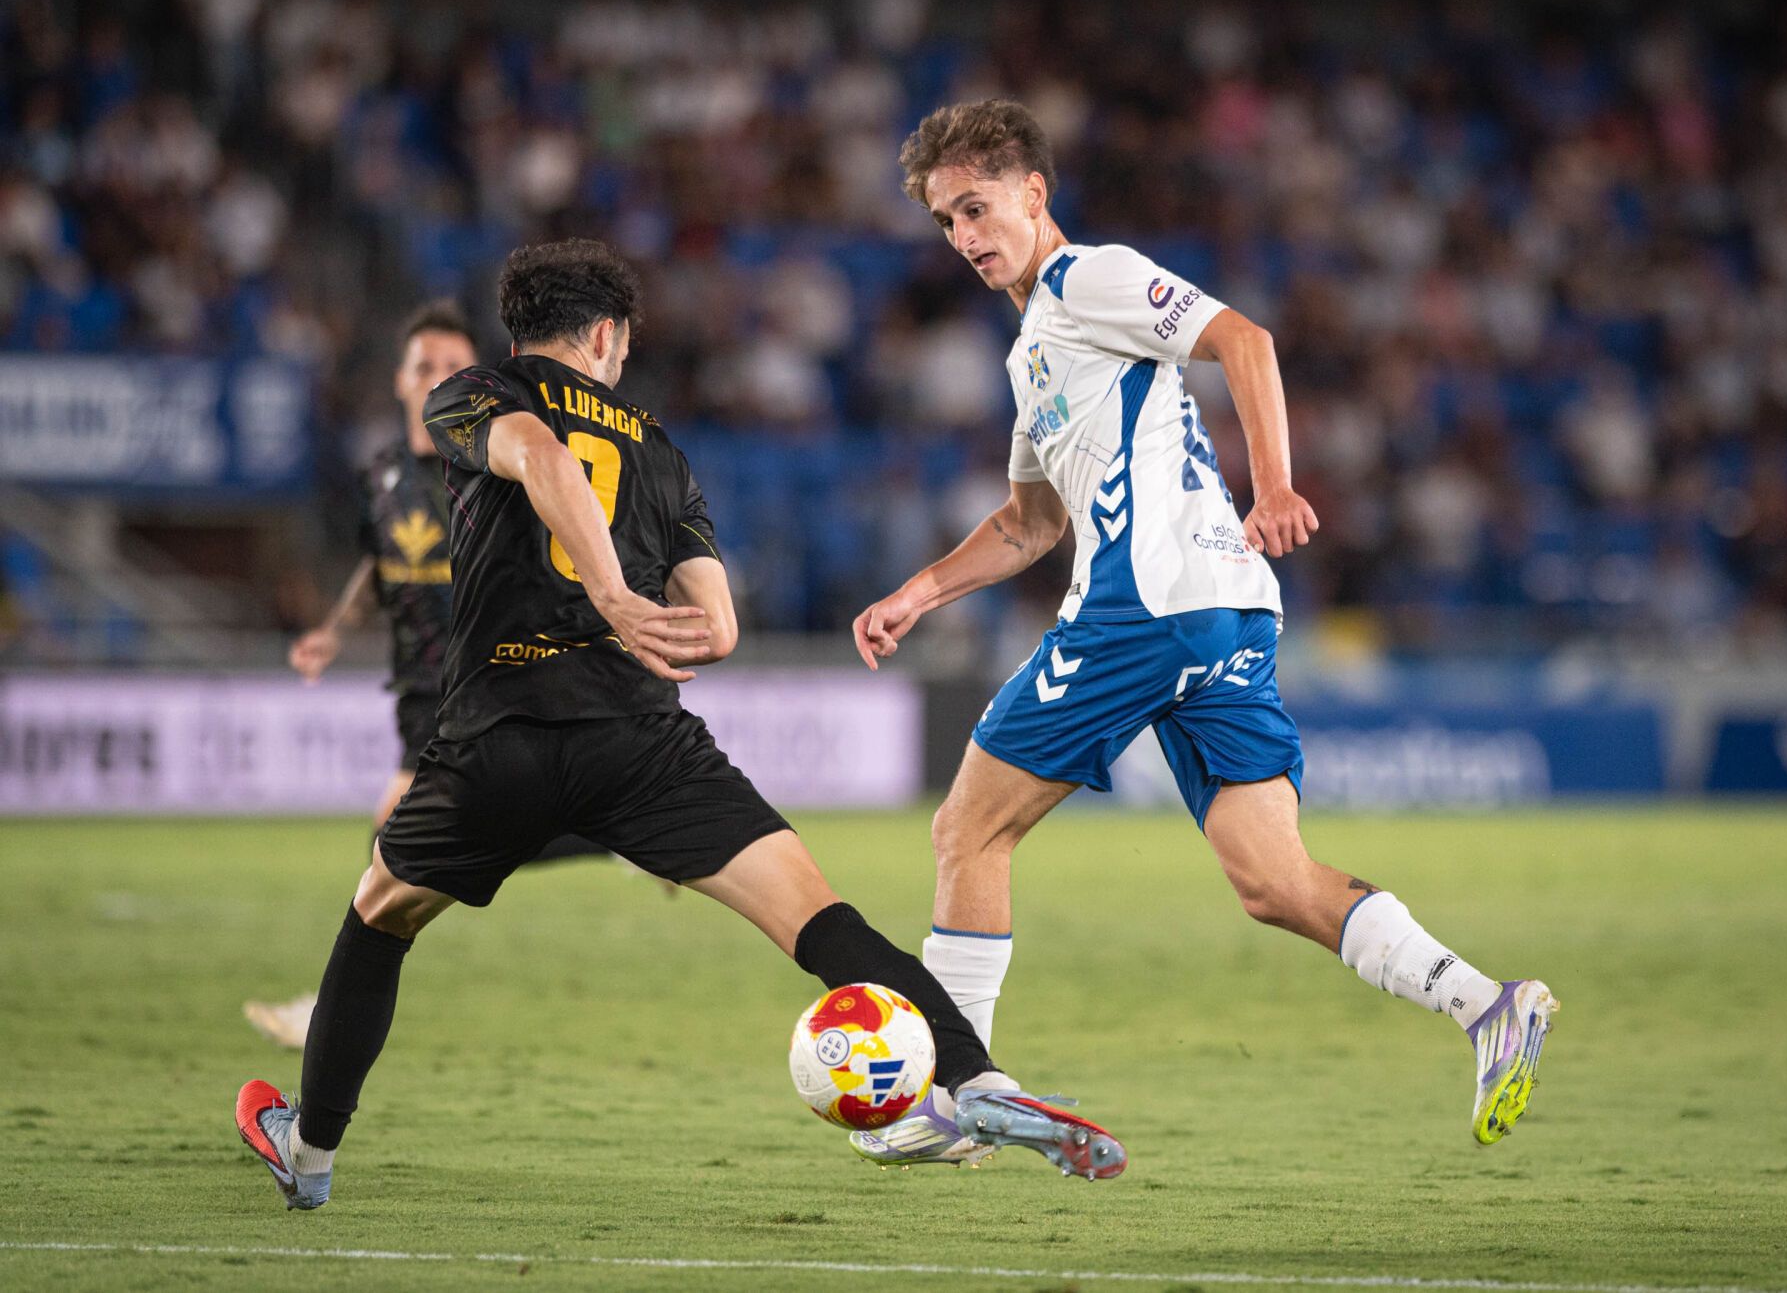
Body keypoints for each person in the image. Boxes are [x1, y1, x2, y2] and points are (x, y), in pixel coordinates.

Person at [234, 238, 1124, 1211]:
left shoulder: (472, 394)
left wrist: (607, 592)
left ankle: (308, 1154)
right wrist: (632, 606)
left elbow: (533, 451)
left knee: (378, 915)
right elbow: (721, 620)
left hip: (497, 734)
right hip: (640, 743)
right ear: (608, 334)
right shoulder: (654, 445)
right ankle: (978, 1078)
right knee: (820, 918)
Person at [850, 101, 1557, 1164]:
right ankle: (1485, 1005)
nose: (962, 235)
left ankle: (952, 1094)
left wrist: (1272, 483)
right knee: (1271, 882)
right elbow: (1030, 521)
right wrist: (917, 593)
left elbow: (1242, 339)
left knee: (967, 829)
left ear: (1032, 194)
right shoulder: (1035, 350)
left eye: (977, 206)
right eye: (947, 218)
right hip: (1225, 610)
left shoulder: (1084, 279)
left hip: (1145, 600)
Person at [243, 301, 612, 1050]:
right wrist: (330, 631)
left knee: (397, 841)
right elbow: (375, 568)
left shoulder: (490, 464)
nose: (438, 377)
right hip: (416, 689)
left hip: (478, 683)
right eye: (425, 366)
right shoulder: (381, 474)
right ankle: (608, 830)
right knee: (438, 841)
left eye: (453, 367)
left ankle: (331, 1011)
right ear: (401, 380)